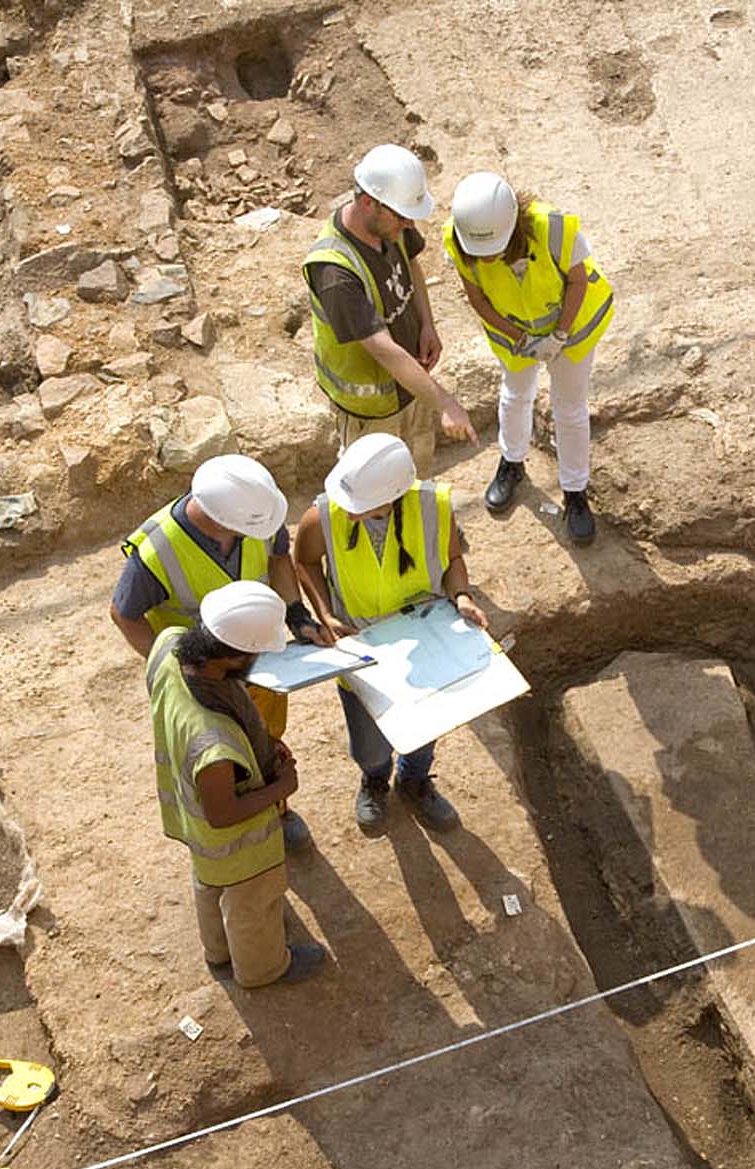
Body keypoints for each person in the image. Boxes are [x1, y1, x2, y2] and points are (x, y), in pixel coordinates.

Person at [110, 454, 316, 849]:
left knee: (267, 740)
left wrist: (296, 614)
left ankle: (278, 813)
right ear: (222, 520)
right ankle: (249, 832)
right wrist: (172, 665)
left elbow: (277, 560)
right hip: (207, 682)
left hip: (258, 663)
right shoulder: (158, 551)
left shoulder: (255, 516)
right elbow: (124, 614)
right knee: (225, 758)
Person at [292, 432, 490, 837]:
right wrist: (325, 613)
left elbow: (451, 559)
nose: (347, 513)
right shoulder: (323, 514)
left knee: (424, 725)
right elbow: (305, 561)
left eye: (358, 507)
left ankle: (415, 780)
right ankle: (375, 779)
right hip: (361, 646)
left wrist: (463, 596)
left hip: (426, 643)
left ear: (394, 495)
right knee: (369, 742)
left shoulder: (433, 506)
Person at [147, 582, 325, 987]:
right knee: (253, 902)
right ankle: (263, 969)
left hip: (195, 822)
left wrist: (262, 741)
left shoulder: (169, 643)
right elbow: (223, 813)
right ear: (234, 655)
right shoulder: (213, 741)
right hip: (237, 841)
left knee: (210, 885)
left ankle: (219, 952)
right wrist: (283, 787)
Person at [443, 171, 614, 545]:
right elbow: (478, 299)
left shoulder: (554, 229)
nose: (485, 259)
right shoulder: (460, 238)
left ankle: (574, 492)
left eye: (493, 251)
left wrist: (558, 336)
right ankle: (512, 462)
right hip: (515, 334)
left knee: (568, 407)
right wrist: (521, 337)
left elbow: (578, 281)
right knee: (516, 393)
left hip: (572, 327)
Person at [303, 143, 477, 478]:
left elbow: (411, 265)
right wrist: (446, 404)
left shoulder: (390, 224)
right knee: (374, 493)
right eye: (401, 216)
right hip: (370, 412)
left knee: (415, 477)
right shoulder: (335, 273)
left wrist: (427, 324)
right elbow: (384, 351)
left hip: (411, 387)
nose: (410, 225)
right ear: (368, 203)